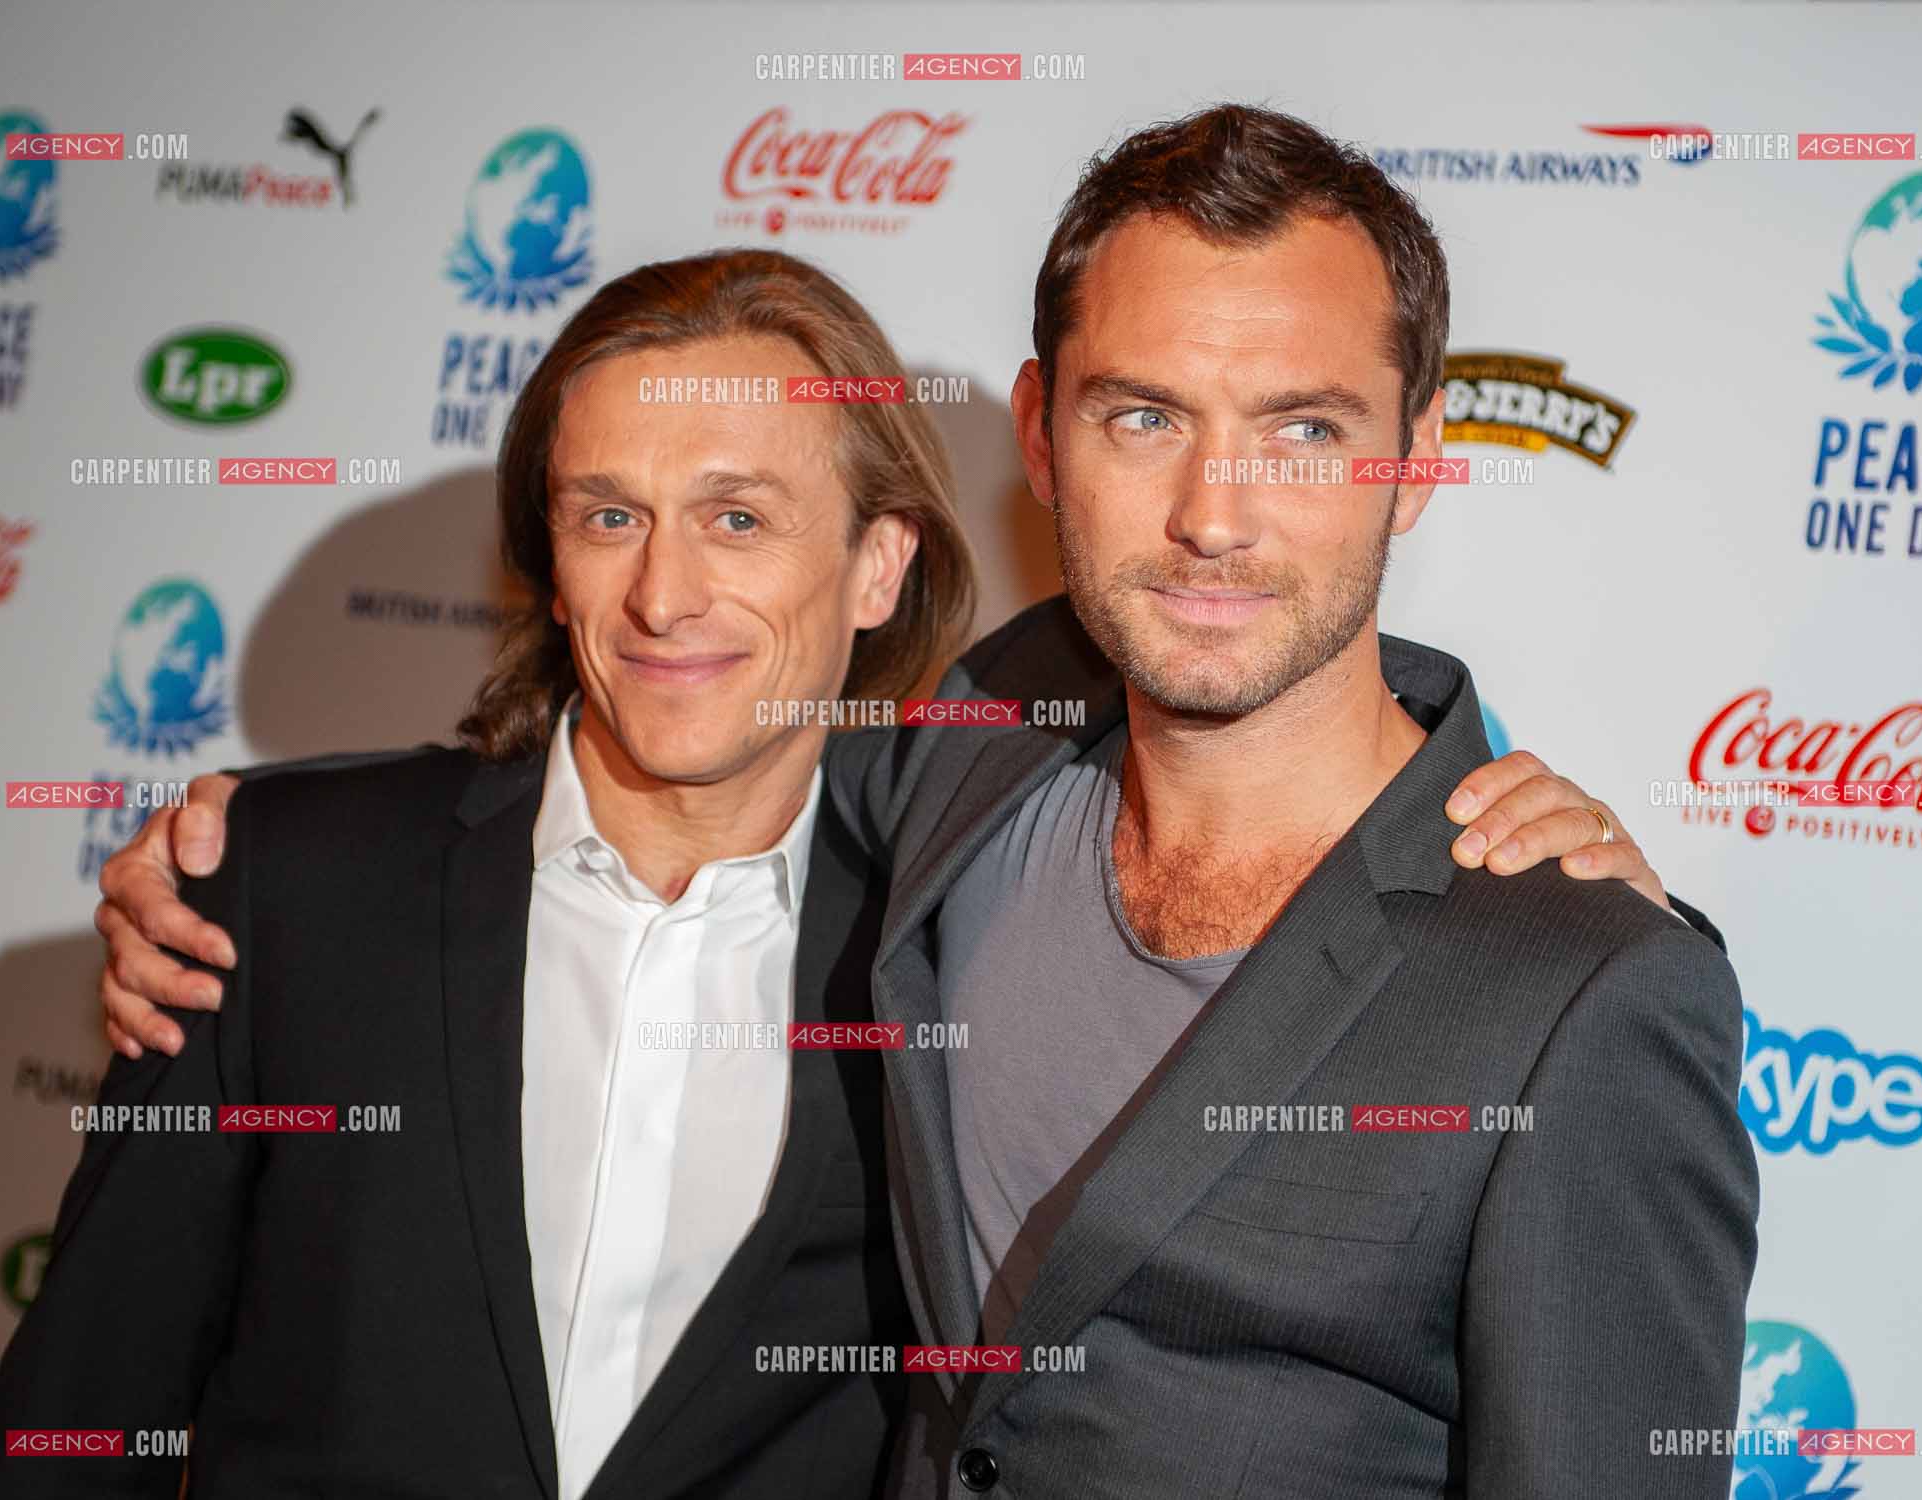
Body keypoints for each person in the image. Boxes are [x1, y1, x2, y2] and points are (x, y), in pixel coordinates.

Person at [83, 115, 1722, 1500]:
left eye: (1302, 430)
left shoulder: (1576, 993)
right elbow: (644, 754)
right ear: (1038, 435)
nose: (1211, 514)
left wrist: (1598, 924)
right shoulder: (954, 768)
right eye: (1139, 416)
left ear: (1416, 457)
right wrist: (232, 855)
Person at [0, 248, 966, 1499]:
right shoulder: (279, 888)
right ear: (550, 559)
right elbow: (78, 1413)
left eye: (737, 518)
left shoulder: (947, 946)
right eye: (610, 517)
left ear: (880, 564)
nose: (660, 595)